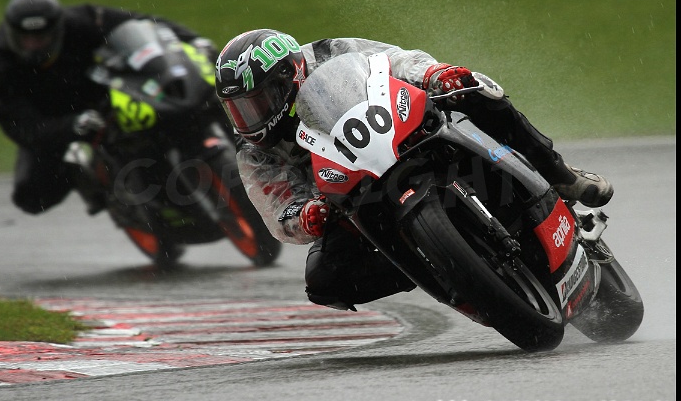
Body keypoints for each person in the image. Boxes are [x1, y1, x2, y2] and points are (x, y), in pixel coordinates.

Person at [214, 29, 615, 312]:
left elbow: (394, 60)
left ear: (287, 77)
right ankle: (439, 266)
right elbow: (277, 209)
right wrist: (303, 217)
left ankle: (560, 175)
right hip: (351, 196)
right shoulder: (255, 152)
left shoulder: (329, 51)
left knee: (479, 91)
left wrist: (434, 74)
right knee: (324, 281)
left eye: (258, 102)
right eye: (239, 109)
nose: (251, 119)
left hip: (408, 132)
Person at [0, 0, 221, 216]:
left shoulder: (80, 20)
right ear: (13, 35)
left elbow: (140, 23)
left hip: (105, 91)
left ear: (58, 28)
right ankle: (94, 186)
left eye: (42, 37)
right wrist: (69, 127)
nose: (36, 44)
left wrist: (193, 40)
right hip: (57, 121)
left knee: (196, 98)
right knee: (31, 196)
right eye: (27, 39)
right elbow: (20, 127)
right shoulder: (1, 69)